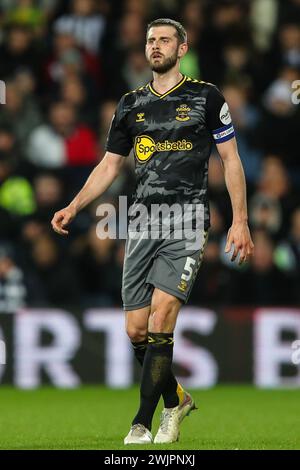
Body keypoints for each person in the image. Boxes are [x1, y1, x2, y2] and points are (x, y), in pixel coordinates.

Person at [51, 18, 254, 445]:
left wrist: (240, 220)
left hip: (187, 222)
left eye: (164, 40)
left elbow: (230, 160)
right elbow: (109, 165)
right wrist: (74, 204)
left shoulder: (205, 96)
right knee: (135, 331)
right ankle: (177, 398)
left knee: (162, 319)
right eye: (150, 40)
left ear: (182, 48)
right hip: (142, 223)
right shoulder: (130, 104)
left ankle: (143, 422)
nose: (155, 46)